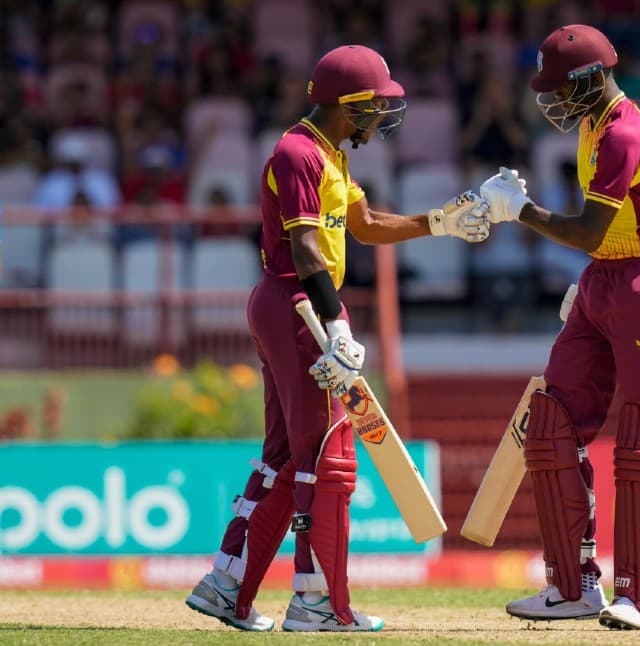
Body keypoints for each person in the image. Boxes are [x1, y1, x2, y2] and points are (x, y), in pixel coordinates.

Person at [185, 44, 489, 633]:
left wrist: (441, 221)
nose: (383, 115)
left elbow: (366, 226)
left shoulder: (329, 154)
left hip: (292, 306)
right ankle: (317, 602)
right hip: (297, 305)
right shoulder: (297, 153)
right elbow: (304, 250)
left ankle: (226, 585)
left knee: (283, 457)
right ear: (350, 105)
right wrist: (337, 324)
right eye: (377, 105)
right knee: (327, 458)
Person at [480, 25, 640, 631]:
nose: (552, 101)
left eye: (560, 89)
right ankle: (573, 587)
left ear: (592, 78)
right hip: (606, 276)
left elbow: (591, 230)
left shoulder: (623, 131)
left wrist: (518, 211)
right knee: (552, 423)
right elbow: (600, 243)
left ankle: (639, 597)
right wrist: (594, 288)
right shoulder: (593, 123)